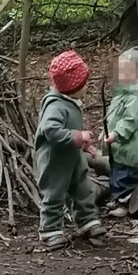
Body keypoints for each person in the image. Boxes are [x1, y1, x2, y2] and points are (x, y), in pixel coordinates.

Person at [34, 50, 107, 250]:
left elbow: (70, 132)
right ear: (72, 87)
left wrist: (85, 145)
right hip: (54, 162)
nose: (86, 88)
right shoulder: (55, 106)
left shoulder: (70, 101)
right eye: (83, 85)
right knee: (54, 194)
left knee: (83, 189)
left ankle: (88, 221)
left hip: (73, 159)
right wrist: (77, 136)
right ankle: (50, 231)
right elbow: (50, 130)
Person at [103, 45, 138, 218]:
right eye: (120, 70)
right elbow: (114, 116)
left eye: (127, 71)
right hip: (120, 146)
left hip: (130, 147)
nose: (122, 75)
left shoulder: (137, 97)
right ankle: (120, 198)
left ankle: (127, 202)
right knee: (118, 172)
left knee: (127, 175)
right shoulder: (123, 94)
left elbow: (130, 120)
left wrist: (117, 134)